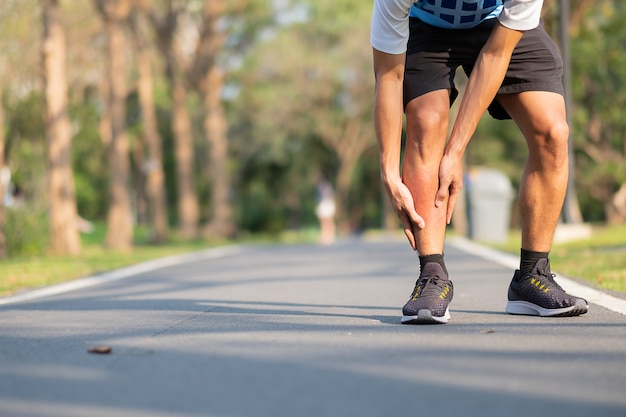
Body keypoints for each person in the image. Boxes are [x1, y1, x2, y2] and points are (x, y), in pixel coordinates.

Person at [371, 0, 588, 324]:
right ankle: (432, 275)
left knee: (552, 131)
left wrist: (456, 151)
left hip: (499, 26)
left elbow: (496, 54)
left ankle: (532, 275)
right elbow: (389, 75)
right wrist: (389, 171)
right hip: (425, 26)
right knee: (426, 119)